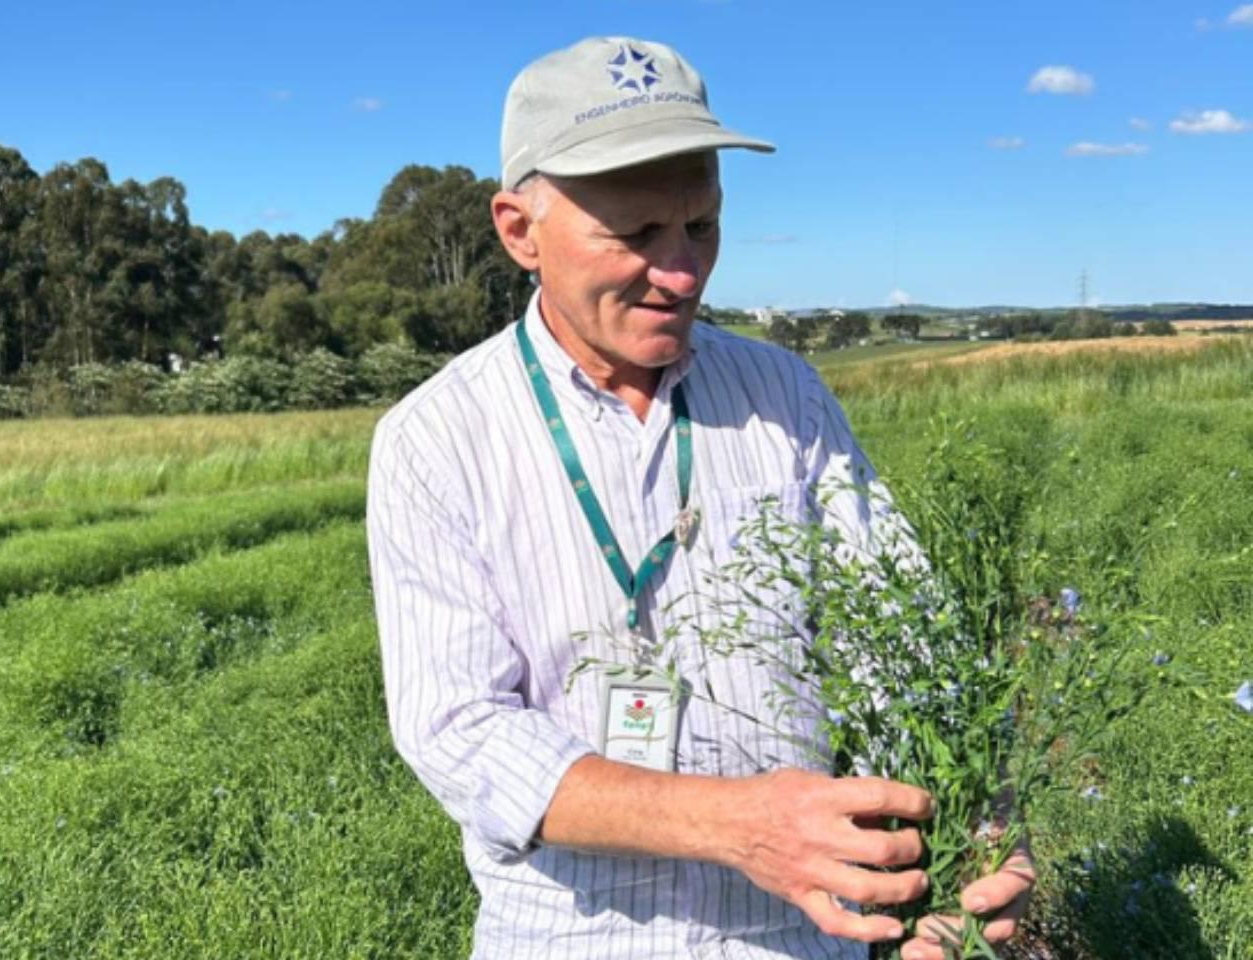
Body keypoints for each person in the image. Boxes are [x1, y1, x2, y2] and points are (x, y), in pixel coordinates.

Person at [366, 36, 1033, 960]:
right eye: (636, 235)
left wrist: (978, 834)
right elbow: (460, 733)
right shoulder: (437, 438)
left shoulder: (786, 396)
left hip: (805, 935)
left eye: (702, 226)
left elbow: (905, 642)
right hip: (570, 936)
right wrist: (736, 823)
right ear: (520, 230)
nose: (681, 273)